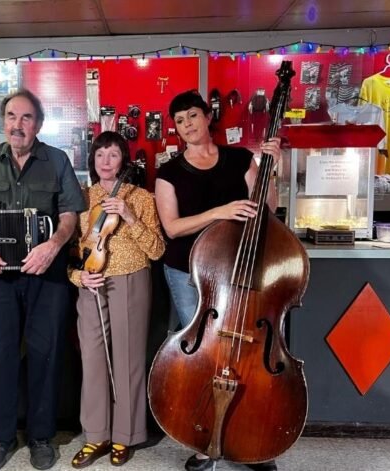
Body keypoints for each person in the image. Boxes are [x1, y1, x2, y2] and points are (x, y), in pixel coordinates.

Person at [154, 90, 282, 471]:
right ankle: (203, 438)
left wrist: (271, 167)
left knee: (243, 355)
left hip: (239, 270)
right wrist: (220, 211)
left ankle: (246, 437)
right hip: (188, 271)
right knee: (204, 355)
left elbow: (269, 208)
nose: (187, 125)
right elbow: (173, 228)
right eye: (179, 121)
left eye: (192, 115)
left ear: (207, 116)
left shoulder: (241, 158)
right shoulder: (169, 172)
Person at [0, 89, 86, 471]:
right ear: (3, 121)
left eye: (27, 118)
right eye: (12, 117)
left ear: (39, 124)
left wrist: (52, 246)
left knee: (46, 357)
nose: (18, 125)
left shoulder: (57, 161)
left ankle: (41, 437)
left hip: (46, 276)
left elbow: (70, 216)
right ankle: (0, 439)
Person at [67, 131, 164, 468]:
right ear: (92, 162)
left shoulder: (141, 197)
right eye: (99, 155)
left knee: (127, 360)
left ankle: (126, 435)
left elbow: (156, 249)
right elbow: (70, 253)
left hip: (131, 281)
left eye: (113, 154)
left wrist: (129, 215)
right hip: (91, 283)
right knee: (92, 361)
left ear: (124, 160)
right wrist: (79, 276)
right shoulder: (80, 197)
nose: (106, 162)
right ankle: (96, 435)